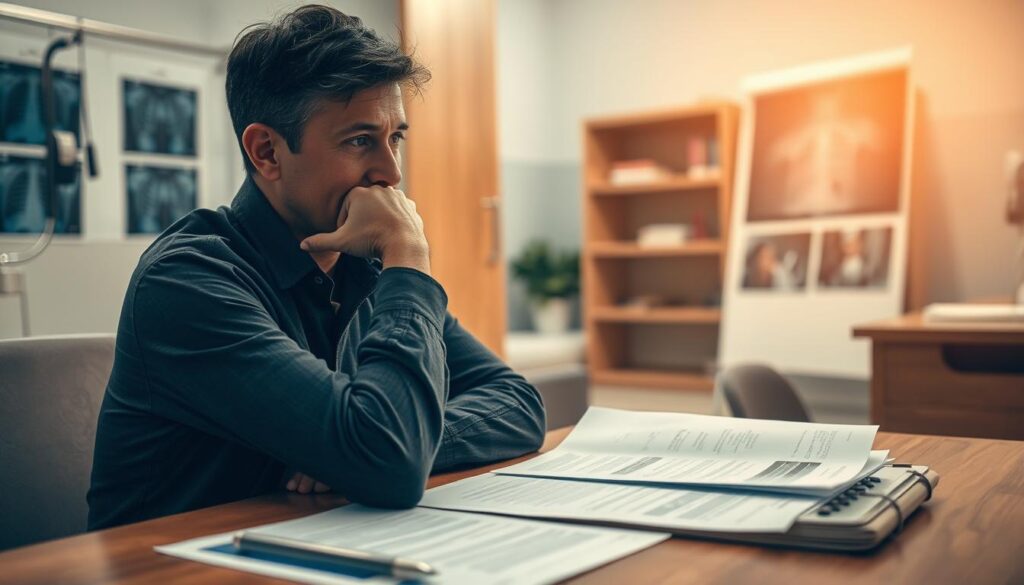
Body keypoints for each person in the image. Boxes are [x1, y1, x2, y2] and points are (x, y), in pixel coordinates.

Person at [87, 4, 546, 530]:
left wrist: (389, 441)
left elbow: (519, 404)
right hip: (168, 568)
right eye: (359, 141)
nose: (391, 173)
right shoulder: (186, 281)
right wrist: (411, 260)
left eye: (396, 136)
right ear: (267, 152)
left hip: (310, 549)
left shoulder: (363, 270)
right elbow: (391, 463)